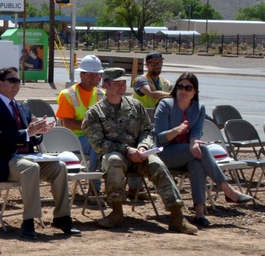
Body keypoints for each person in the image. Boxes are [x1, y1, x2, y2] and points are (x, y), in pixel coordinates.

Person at [82, 68, 191, 234]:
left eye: (123, 83)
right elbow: (98, 143)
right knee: (113, 161)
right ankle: (116, 212)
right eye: (117, 84)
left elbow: (147, 130)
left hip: (139, 155)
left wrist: (143, 147)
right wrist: (126, 150)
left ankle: (177, 216)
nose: (121, 87)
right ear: (106, 85)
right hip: (115, 154)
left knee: (157, 164)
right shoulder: (94, 113)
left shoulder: (135, 106)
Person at [0, 66, 77, 240]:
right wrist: (27, 133)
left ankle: (62, 217)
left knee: (59, 167)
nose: (17, 84)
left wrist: (38, 132)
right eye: (13, 80)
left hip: (26, 158)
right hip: (3, 161)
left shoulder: (23, 108)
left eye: (18, 81)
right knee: (30, 168)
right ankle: (29, 221)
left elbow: (31, 139)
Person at [153, 72, 252, 227]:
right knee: (203, 151)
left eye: (188, 87)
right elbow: (159, 138)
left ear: (195, 92)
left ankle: (199, 212)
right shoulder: (165, 105)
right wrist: (176, 131)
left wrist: (194, 142)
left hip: (187, 155)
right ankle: (228, 191)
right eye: (180, 86)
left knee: (197, 162)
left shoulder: (198, 108)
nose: (183, 90)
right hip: (164, 152)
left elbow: (196, 132)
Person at [55, 54, 105, 167]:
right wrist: (93, 127)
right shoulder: (68, 94)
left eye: (97, 75)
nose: (94, 78)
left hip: (95, 136)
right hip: (73, 139)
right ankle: (94, 181)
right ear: (81, 75)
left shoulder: (102, 95)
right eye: (90, 75)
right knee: (97, 145)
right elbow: (67, 123)